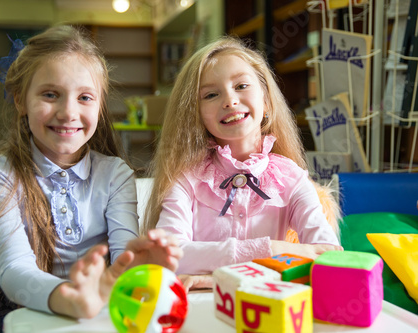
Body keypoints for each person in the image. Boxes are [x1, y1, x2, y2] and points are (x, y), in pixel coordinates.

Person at [0, 25, 181, 332]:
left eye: (84, 97)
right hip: (25, 315)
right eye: (50, 94)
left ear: (100, 105)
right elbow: (14, 270)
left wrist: (144, 267)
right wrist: (70, 298)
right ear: (20, 100)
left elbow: (123, 259)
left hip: (101, 312)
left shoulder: (116, 175)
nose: (68, 112)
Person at [143, 36, 342, 290]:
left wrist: (218, 277)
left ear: (267, 101)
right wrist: (270, 249)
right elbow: (169, 256)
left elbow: (328, 255)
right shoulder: (186, 180)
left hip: (271, 308)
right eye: (211, 94)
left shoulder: (291, 178)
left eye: (241, 85)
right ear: (196, 115)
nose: (229, 100)